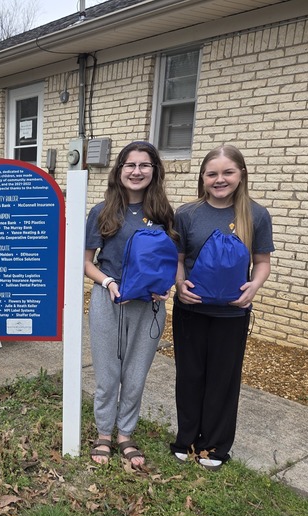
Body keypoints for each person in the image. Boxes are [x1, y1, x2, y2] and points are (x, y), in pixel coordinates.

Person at [171, 145, 274, 471]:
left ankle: (214, 445)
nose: (220, 179)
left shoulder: (256, 215)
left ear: (241, 175)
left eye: (227, 172)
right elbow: (178, 258)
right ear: (202, 177)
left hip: (232, 313)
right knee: (190, 375)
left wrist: (254, 287)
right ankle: (186, 439)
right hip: (191, 310)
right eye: (212, 173)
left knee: (223, 379)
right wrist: (179, 283)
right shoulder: (187, 214)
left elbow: (262, 263)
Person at [84, 141, 178, 467]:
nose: (136, 171)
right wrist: (108, 282)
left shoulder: (164, 214)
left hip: (148, 307)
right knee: (108, 374)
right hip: (109, 300)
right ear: (120, 170)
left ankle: (125, 433)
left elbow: (170, 261)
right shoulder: (102, 211)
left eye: (144, 165)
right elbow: (86, 263)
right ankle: (104, 434)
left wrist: (165, 288)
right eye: (130, 165)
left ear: (154, 171)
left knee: (136, 374)